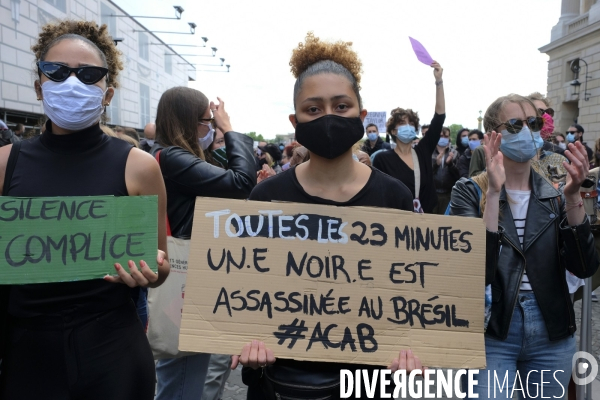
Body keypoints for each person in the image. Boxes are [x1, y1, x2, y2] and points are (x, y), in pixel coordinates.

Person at [234, 32, 423, 400]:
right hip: (283, 384)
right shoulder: (267, 197)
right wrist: (247, 342)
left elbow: (413, 292)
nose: (328, 118)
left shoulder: (393, 196)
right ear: (296, 120)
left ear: (361, 115)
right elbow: (247, 293)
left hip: (370, 383)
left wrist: (412, 349)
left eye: (341, 107)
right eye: (313, 109)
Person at [0, 20, 170, 400]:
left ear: (107, 94)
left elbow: (161, 267)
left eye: (88, 74)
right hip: (27, 352)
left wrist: (149, 270)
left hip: (113, 348)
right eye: (57, 72)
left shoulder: (139, 166)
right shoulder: (4, 163)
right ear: (38, 88)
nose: (72, 83)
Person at [449, 94, 599, 398]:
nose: (528, 130)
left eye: (534, 122)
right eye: (516, 124)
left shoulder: (556, 195)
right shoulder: (467, 191)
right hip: (491, 330)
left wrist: (572, 199)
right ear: (494, 135)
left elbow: (584, 266)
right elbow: (476, 270)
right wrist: (492, 194)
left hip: (551, 329)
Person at [151, 86, 256, 400]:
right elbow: (240, 181)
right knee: (183, 383)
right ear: (187, 122)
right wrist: (230, 128)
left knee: (183, 378)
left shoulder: (166, 155)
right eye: (206, 121)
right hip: (186, 275)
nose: (210, 127)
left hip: (187, 272)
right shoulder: (172, 157)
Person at [372, 62, 445, 214]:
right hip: (396, 223)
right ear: (393, 130)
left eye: (411, 123)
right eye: (402, 123)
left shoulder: (423, 151)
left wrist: (439, 82)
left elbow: (439, 117)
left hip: (427, 221)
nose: (408, 126)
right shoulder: (382, 160)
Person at [432, 126, 459, 213]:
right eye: (440, 136)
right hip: (432, 193)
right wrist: (436, 164)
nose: (443, 138)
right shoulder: (429, 152)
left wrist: (450, 164)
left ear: (449, 137)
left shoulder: (454, 153)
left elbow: (458, 175)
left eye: (446, 136)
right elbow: (425, 174)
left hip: (448, 194)